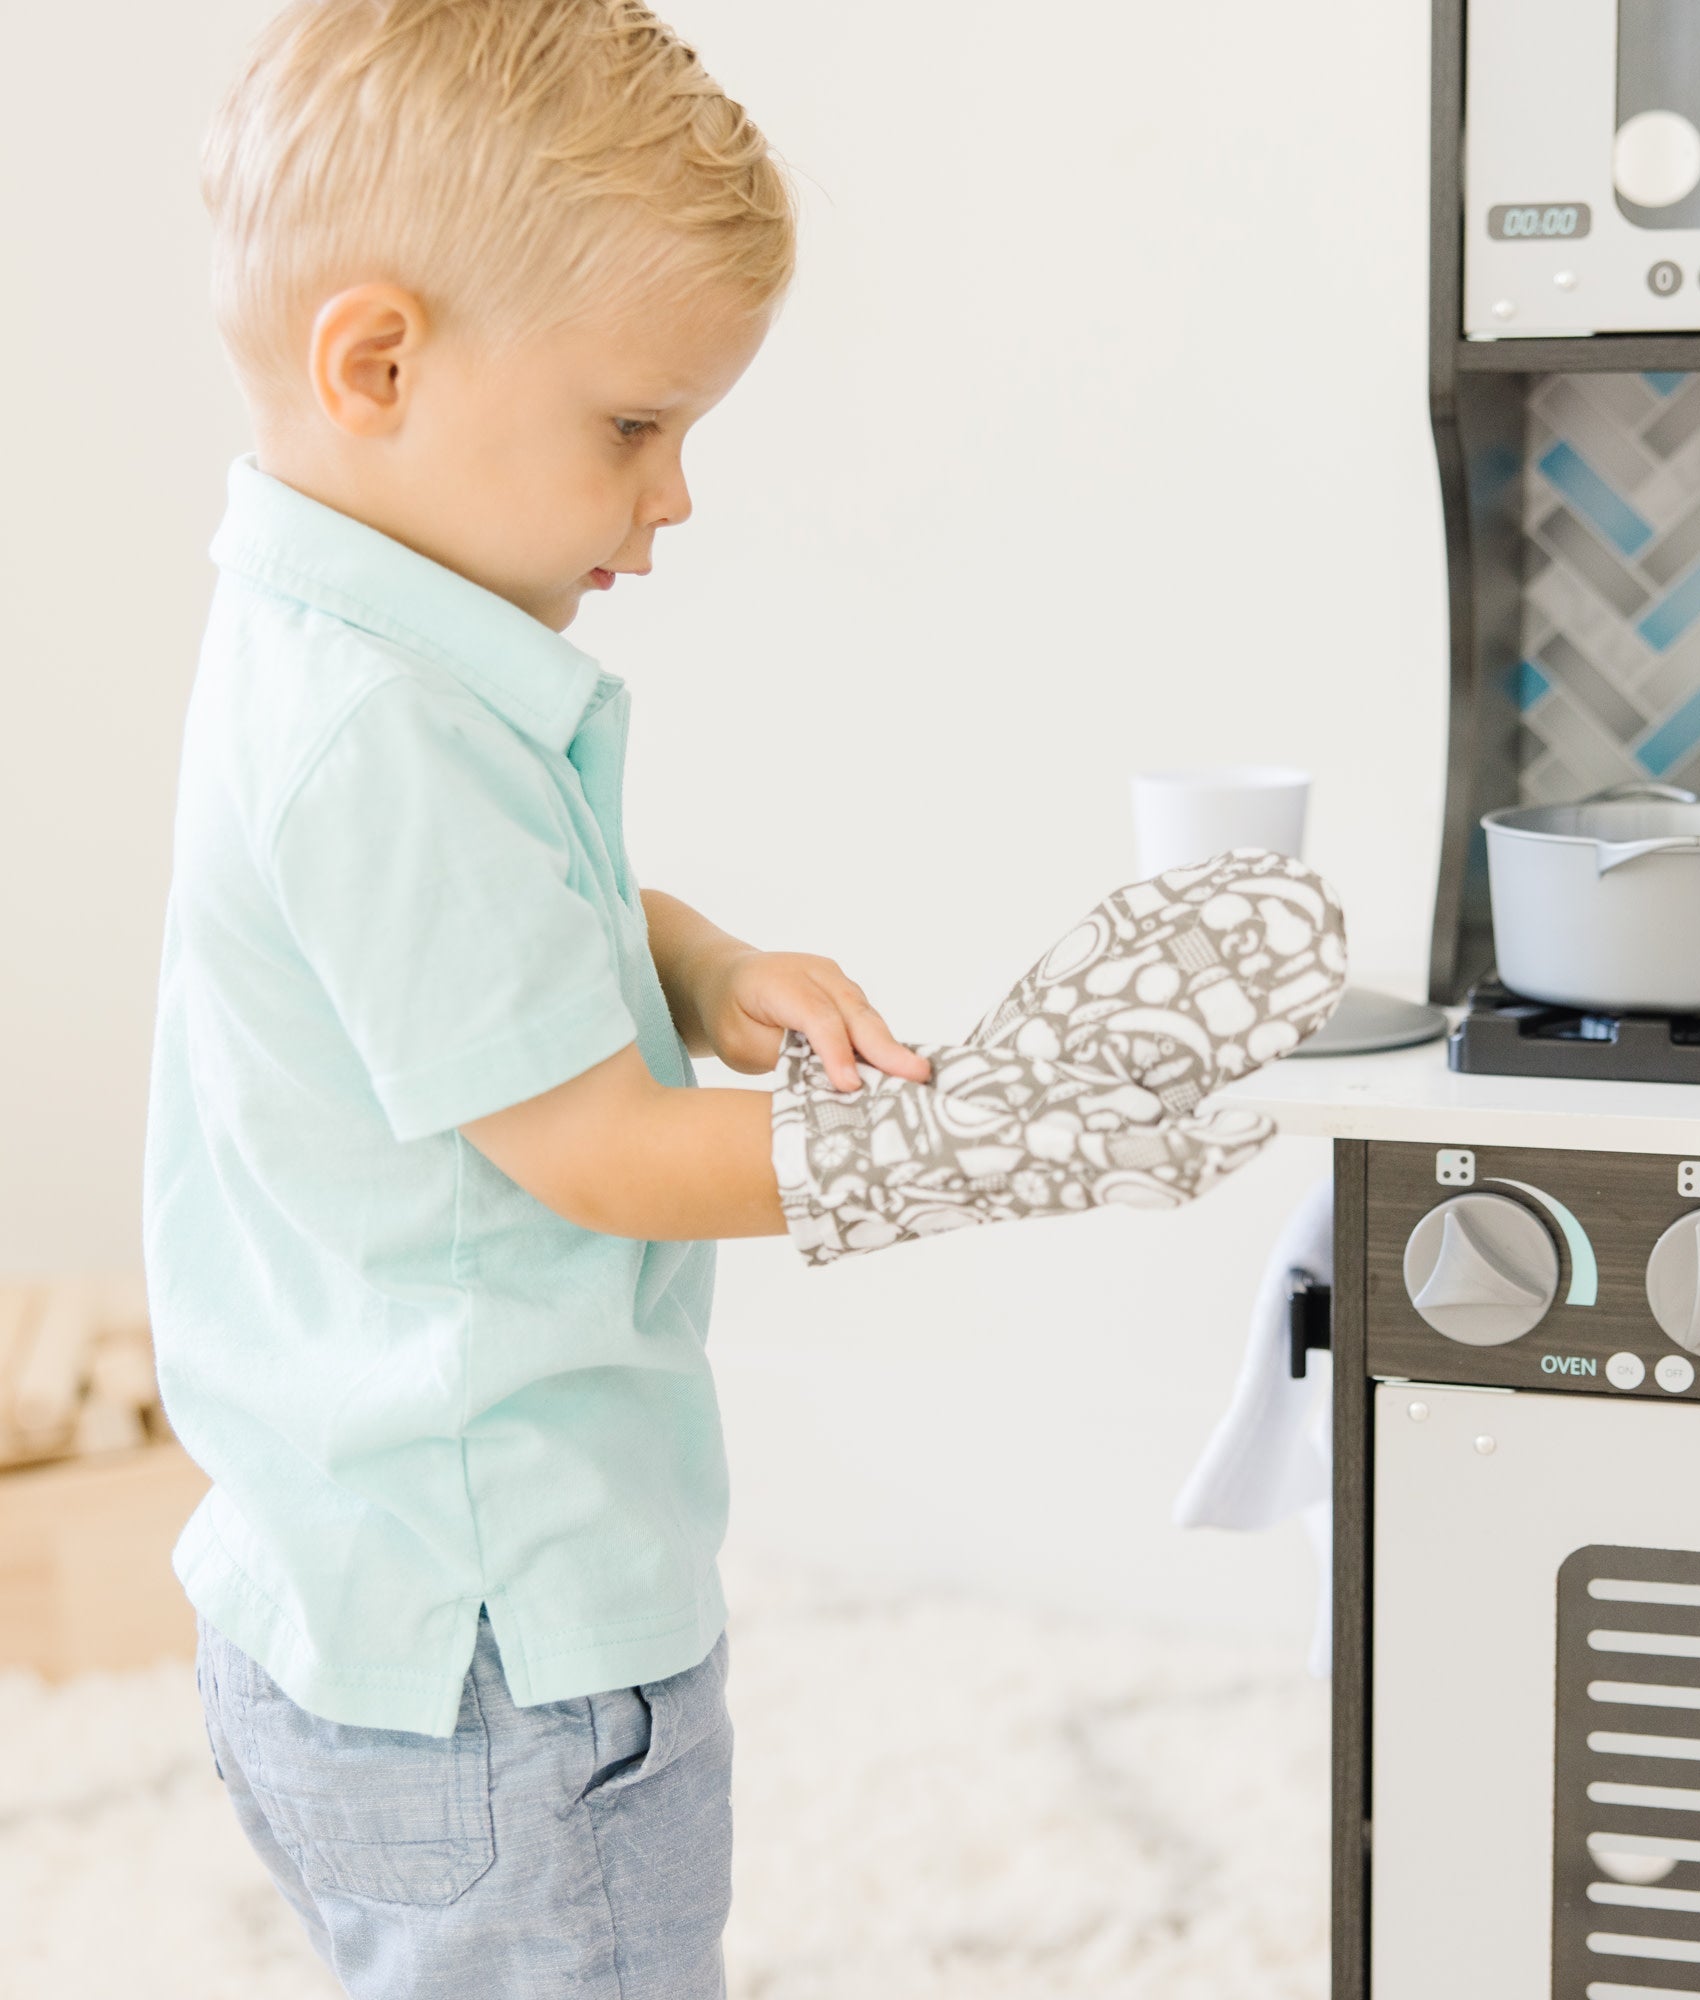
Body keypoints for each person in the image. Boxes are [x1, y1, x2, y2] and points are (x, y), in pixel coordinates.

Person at [145, 4, 1345, 1994]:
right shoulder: (382, 733)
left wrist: (697, 967)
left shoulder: (331, 649)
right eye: (635, 427)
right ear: (379, 366)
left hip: (353, 1596)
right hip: (500, 1657)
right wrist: (968, 1140)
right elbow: (601, 1155)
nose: (675, 494)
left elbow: (490, 937)